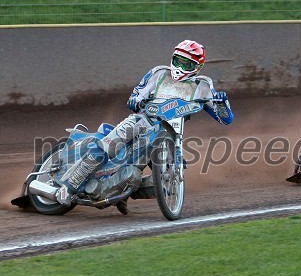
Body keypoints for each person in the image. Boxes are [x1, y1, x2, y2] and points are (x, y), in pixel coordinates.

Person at [55, 40, 234, 209]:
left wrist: (221, 103)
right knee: (110, 145)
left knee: (169, 181)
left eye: (187, 64)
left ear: (197, 67)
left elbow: (225, 119)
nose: (180, 67)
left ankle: (121, 193)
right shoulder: (158, 73)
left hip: (169, 133)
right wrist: (135, 100)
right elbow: (137, 93)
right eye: (178, 61)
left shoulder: (203, 85)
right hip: (142, 121)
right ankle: (68, 186)